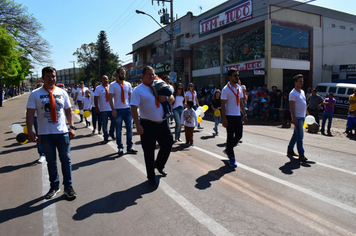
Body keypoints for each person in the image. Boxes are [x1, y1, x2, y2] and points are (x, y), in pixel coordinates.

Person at [26, 66, 77, 199]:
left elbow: (68, 111)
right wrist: (30, 130)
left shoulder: (62, 92)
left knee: (66, 159)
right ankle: (54, 186)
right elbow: (30, 113)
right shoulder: (35, 94)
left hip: (62, 133)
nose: (51, 79)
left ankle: (68, 186)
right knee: (51, 161)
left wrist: (71, 127)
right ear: (43, 78)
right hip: (45, 134)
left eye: (53, 76)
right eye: (48, 76)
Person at [131, 66, 174, 186]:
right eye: (149, 74)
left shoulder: (159, 84)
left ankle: (159, 164)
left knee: (168, 143)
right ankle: (151, 176)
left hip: (162, 123)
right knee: (149, 151)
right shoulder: (138, 90)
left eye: (153, 74)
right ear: (143, 76)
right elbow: (133, 108)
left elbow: (172, 97)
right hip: (147, 124)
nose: (152, 77)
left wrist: (165, 98)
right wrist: (138, 125)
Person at [221, 68, 247, 168]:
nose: (237, 77)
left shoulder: (239, 88)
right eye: (235, 75)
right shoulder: (225, 89)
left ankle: (228, 148)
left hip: (237, 115)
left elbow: (240, 102)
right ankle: (232, 158)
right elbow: (223, 105)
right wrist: (224, 119)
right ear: (230, 77)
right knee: (230, 136)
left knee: (239, 135)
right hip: (229, 116)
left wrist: (244, 114)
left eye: (237, 75)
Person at [109, 68, 137, 156]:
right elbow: (110, 98)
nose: (123, 75)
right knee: (118, 130)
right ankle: (120, 147)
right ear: (117, 74)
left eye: (124, 73)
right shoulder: (112, 85)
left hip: (127, 109)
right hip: (118, 109)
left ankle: (130, 147)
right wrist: (113, 109)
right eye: (121, 73)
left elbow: (130, 96)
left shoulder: (128, 84)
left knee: (129, 128)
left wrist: (133, 108)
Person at [287, 74, 309, 162]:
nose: (301, 83)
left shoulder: (302, 92)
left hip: (302, 117)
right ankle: (301, 154)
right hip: (297, 117)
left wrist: (307, 113)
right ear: (295, 82)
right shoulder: (293, 93)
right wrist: (294, 117)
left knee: (296, 135)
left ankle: (290, 149)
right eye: (300, 81)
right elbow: (291, 107)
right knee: (300, 136)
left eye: (302, 81)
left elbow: (304, 104)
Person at [94, 75, 115, 144]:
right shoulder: (98, 88)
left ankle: (111, 133)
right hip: (103, 109)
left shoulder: (111, 87)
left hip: (112, 108)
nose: (105, 80)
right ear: (101, 80)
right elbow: (96, 98)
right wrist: (97, 107)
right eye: (104, 79)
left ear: (108, 80)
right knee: (104, 124)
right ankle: (105, 136)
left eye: (106, 79)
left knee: (114, 121)